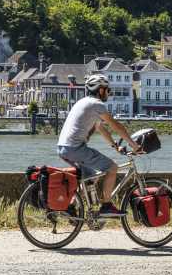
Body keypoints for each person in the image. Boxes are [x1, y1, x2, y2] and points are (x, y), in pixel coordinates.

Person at [56, 74, 143, 217]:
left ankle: (71, 207)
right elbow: (116, 126)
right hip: (75, 148)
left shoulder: (85, 102)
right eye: (108, 90)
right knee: (112, 167)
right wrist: (134, 145)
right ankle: (106, 205)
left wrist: (115, 146)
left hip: (63, 147)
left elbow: (101, 129)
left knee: (92, 176)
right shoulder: (97, 104)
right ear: (100, 90)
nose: (109, 93)